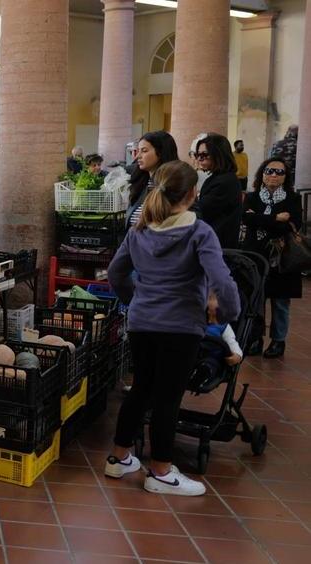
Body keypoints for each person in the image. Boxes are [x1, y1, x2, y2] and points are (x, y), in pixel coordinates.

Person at [105, 160, 240, 496]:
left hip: (142, 322)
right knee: (168, 397)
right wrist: (228, 314)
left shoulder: (139, 231)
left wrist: (134, 300)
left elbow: (115, 273)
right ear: (193, 193)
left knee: (141, 389)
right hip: (181, 326)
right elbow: (222, 280)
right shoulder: (198, 232)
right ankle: (162, 471)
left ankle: (119, 458)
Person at [242, 158, 303, 359]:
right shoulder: (251, 197)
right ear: (262, 173)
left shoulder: (293, 199)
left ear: (286, 177)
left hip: (281, 257)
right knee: (256, 299)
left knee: (280, 301)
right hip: (256, 255)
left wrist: (260, 219)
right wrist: (276, 218)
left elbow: (292, 225)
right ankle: (255, 339)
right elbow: (246, 219)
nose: (274, 175)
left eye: (279, 172)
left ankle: (278, 342)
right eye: (269, 170)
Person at [194, 133, 243, 249]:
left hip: (218, 247)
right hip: (212, 244)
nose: (199, 158)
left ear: (219, 155)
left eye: (204, 154)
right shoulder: (217, 178)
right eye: (197, 154)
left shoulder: (225, 181)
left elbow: (200, 211)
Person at [126, 131, 179, 229]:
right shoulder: (140, 183)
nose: (138, 156)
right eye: (138, 151)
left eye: (144, 151)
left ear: (161, 152)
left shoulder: (177, 184)